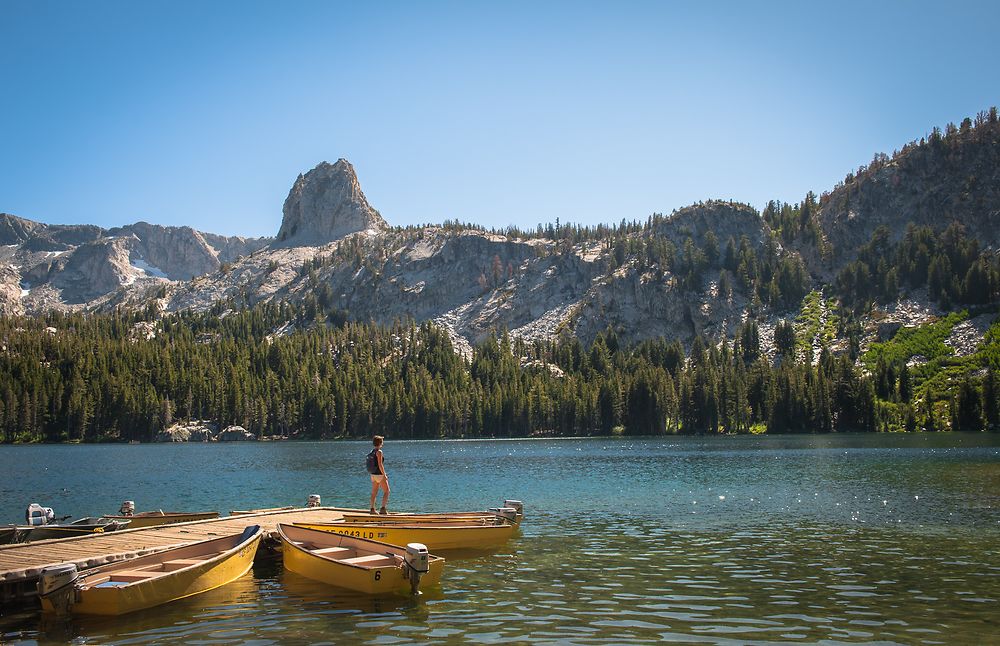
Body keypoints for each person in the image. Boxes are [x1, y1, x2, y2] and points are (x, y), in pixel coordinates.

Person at [367, 435, 390, 514]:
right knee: (387, 491)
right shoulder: (379, 452)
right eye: (382, 442)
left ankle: (372, 509)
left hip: (373, 475)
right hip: (379, 475)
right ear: (380, 443)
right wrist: (384, 475)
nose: (382, 443)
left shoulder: (372, 451)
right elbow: (380, 465)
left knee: (374, 492)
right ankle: (383, 509)